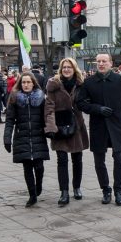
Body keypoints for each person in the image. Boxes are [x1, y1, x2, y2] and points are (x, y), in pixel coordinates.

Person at [76, 53, 121, 206]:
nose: (101, 64)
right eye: (98, 61)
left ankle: (118, 191)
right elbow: (80, 103)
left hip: (116, 125)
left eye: (104, 61)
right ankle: (105, 189)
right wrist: (97, 109)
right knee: (99, 161)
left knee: (119, 158)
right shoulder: (89, 82)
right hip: (98, 126)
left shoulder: (120, 80)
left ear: (111, 63)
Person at [45, 58, 89, 205]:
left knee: (77, 159)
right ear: (61, 69)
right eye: (64, 67)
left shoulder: (81, 84)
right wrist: (51, 126)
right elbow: (49, 107)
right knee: (62, 160)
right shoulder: (54, 85)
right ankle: (64, 192)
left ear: (74, 68)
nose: (67, 69)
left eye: (69, 67)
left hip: (76, 125)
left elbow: (87, 102)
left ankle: (76, 187)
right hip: (59, 126)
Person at [4, 72, 49, 207]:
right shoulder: (14, 98)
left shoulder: (41, 98)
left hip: (38, 135)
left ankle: (39, 184)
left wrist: (50, 131)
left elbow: (47, 117)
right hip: (21, 136)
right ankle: (32, 194)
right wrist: (7, 138)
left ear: (33, 83)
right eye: (23, 82)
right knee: (27, 167)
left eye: (28, 82)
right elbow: (10, 120)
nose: (26, 85)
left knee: (39, 166)